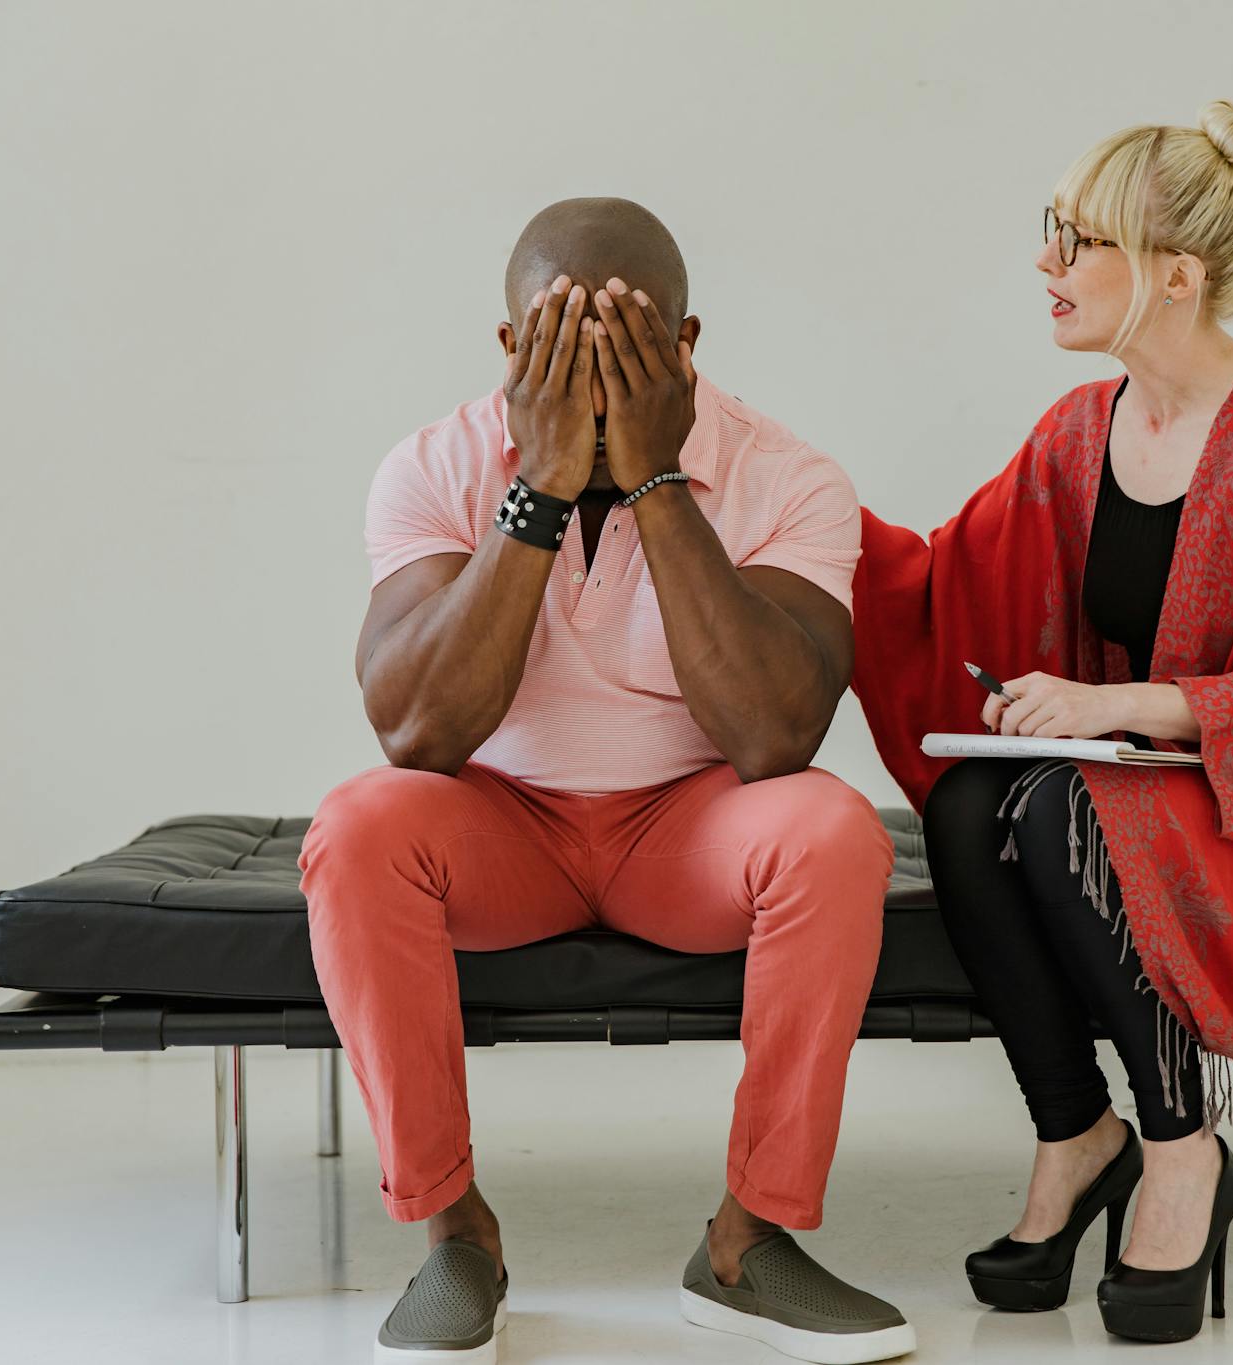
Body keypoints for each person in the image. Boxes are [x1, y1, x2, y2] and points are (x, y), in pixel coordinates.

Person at [849, 102, 1233, 1344]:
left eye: (1076, 241)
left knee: (1074, 796)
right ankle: (1076, 1134)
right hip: (1141, 795)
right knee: (973, 802)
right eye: (1052, 234)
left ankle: (1183, 1152)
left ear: (1174, 276)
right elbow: (936, 582)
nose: (1044, 264)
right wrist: (777, 486)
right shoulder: (1078, 434)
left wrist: (1119, 707)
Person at [297, 197, 916, 1364]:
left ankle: (749, 1242)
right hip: (502, 823)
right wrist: (532, 487)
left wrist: (654, 482)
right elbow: (419, 730)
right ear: (507, 349)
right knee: (360, 824)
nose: (590, 371)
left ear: (685, 347)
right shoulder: (432, 465)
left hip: (686, 827)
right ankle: (453, 1237)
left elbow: (773, 736)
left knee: (828, 829)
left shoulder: (789, 475)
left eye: (625, 341)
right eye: (556, 342)